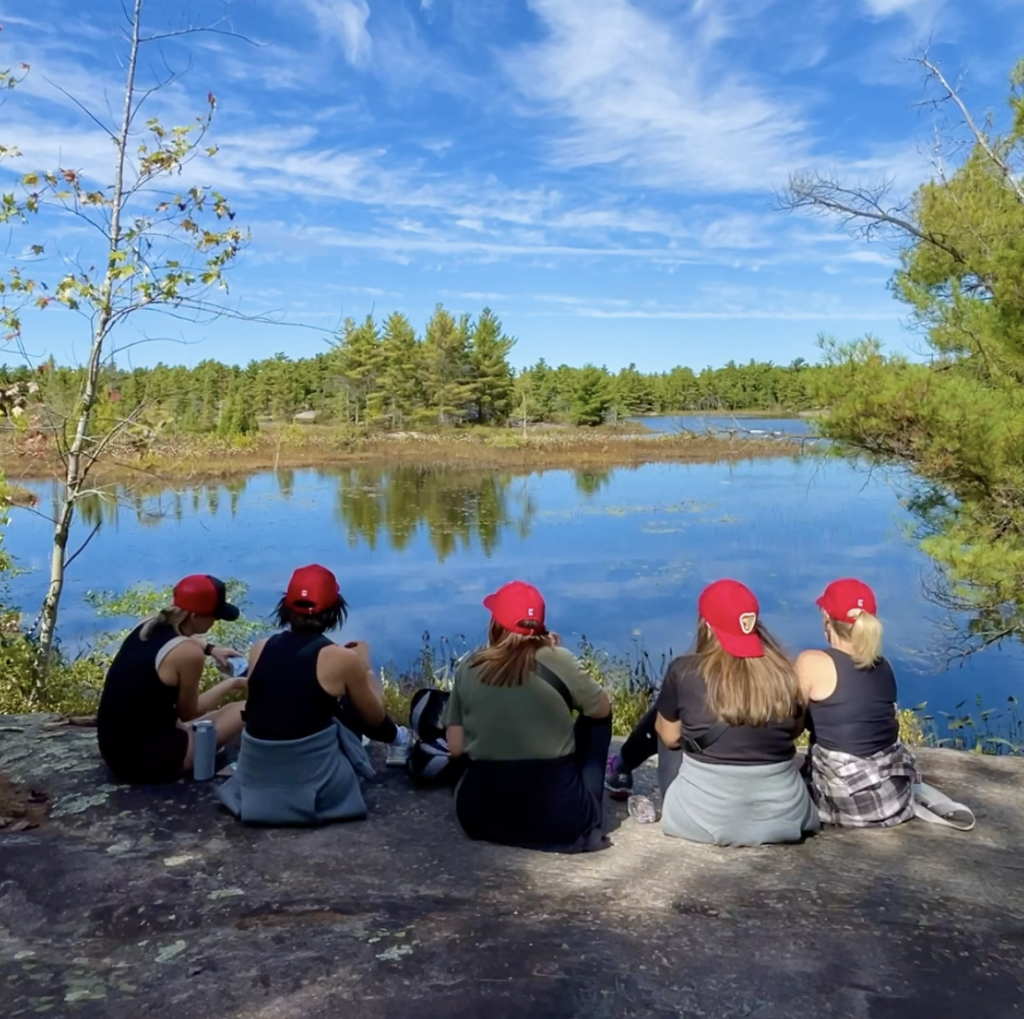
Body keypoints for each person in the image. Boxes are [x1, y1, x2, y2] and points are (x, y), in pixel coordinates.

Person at [613, 579, 819, 846]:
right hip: (787, 817)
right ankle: (622, 764)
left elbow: (670, 738)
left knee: (666, 725)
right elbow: (793, 731)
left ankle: (620, 767)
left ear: (707, 626)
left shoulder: (684, 670)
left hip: (701, 820)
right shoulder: (785, 673)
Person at [216, 564, 409, 825]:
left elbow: (273, 700)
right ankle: (401, 740)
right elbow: (374, 718)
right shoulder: (343, 659)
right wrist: (364, 667)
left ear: (286, 608)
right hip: (314, 786)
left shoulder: (260, 648)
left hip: (257, 782)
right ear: (333, 612)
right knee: (360, 693)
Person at [444, 580, 613, 853]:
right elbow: (601, 710)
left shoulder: (469, 666)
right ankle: (589, 804)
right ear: (541, 626)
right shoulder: (561, 659)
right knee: (596, 720)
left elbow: (455, 747)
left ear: (495, 625)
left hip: (480, 817)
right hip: (562, 818)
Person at [97, 574, 247, 784]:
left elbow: (184, 639)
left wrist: (212, 649)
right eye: (214, 616)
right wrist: (232, 683)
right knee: (244, 710)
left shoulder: (147, 626)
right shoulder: (188, 655)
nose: (215, 621)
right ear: (194, 616)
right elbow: (189, 712)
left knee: (222, 715)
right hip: (146, 761)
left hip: (115, 750)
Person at [795, 578, 919, 828]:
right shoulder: (885, 666)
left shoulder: (812, 662)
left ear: (825, 616)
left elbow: (790, 727)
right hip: (893, 796)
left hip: (848, 802)